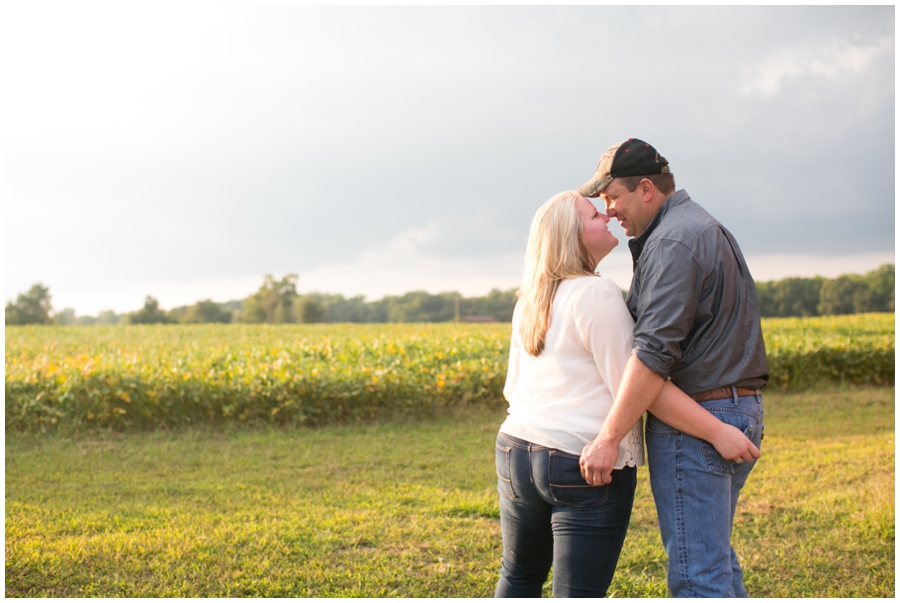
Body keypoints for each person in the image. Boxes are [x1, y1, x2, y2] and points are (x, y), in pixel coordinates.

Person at [495, 190, 760, 598]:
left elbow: (512, 387)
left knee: (518, 579)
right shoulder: (596, 294)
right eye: (592, 214)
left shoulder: (532, 298)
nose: (606, 215)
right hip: (579, 466)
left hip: (515, 450)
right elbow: (641, 386)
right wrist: (717, 431)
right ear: (572, 236)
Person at [577, 138, 768, 597]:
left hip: (697, 424)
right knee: (712, 559)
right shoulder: (698, 226)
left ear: (645, 189)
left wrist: (607, 439)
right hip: (732, 408)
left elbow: (652, 354)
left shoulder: (673, 241)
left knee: (697, 574)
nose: (611, 211)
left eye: (613, 198)